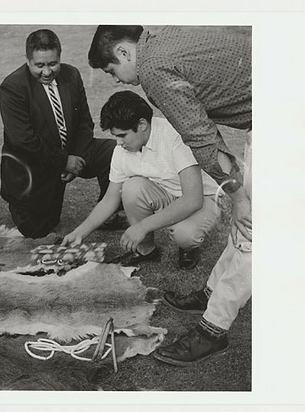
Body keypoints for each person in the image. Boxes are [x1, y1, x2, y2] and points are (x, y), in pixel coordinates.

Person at [88, 25, 252, 365]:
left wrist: (236, 195)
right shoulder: (162, 38)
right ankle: (211, 293)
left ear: (123, 52)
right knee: (247, 228)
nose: (116, 79)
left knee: (255, 233)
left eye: (111, 70)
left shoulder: (153, 69)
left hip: (291, 118)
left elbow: (201, 136)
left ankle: (213, 330)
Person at [62, 91, 221, 269]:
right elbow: (110, 198)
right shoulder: (121, 149)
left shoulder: (175, 136)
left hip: (203, 197)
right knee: (131, 187)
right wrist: (79, 232)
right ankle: (145, 250)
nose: (118, 143)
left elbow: (193, 199)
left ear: (142, 124)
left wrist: (143, 226)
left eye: (122, 135)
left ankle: (188, 247)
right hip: (168, 192)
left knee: (184, 234)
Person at [0, 29, 120, 239]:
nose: (47, 72)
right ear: (28, 61)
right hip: (34, 164)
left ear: (60, 57)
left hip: (71, 152)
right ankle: (26, 205)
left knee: (113, 152)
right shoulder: (12, 87)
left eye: (52, 63)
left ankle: (107, 212)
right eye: (39, 65)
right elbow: (23, 141)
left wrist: (77, 158)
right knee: (36, 229)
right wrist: (63, 161)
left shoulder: (71, 74)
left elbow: (84, 122)